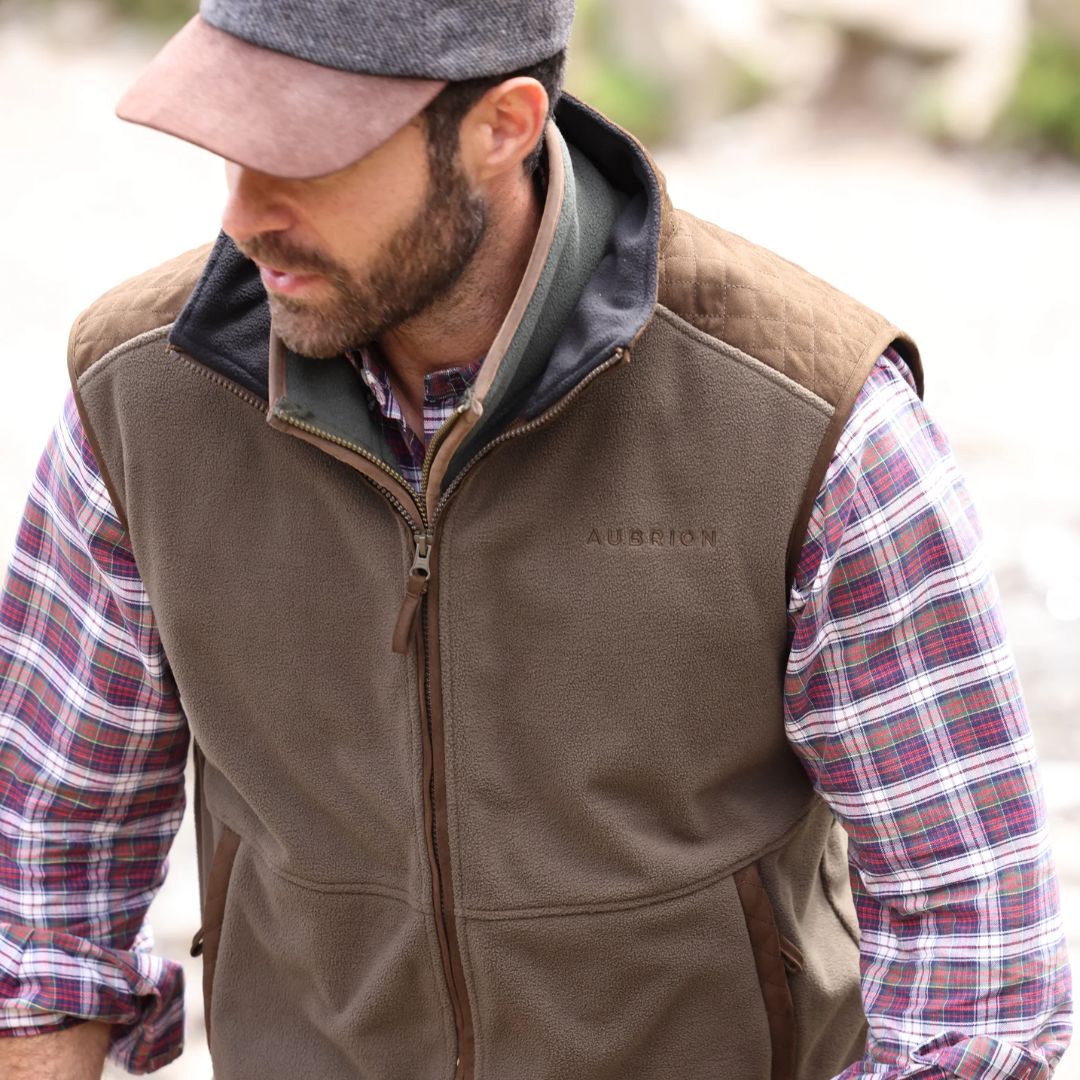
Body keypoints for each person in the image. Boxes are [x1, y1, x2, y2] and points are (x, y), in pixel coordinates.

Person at [0, 0, 1071, 1077]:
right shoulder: (139, 401)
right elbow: (39, 895)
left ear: (503, 125)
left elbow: (974, 959)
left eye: (305, 158)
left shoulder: (815, 428)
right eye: (231, 147)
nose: (244, 216)